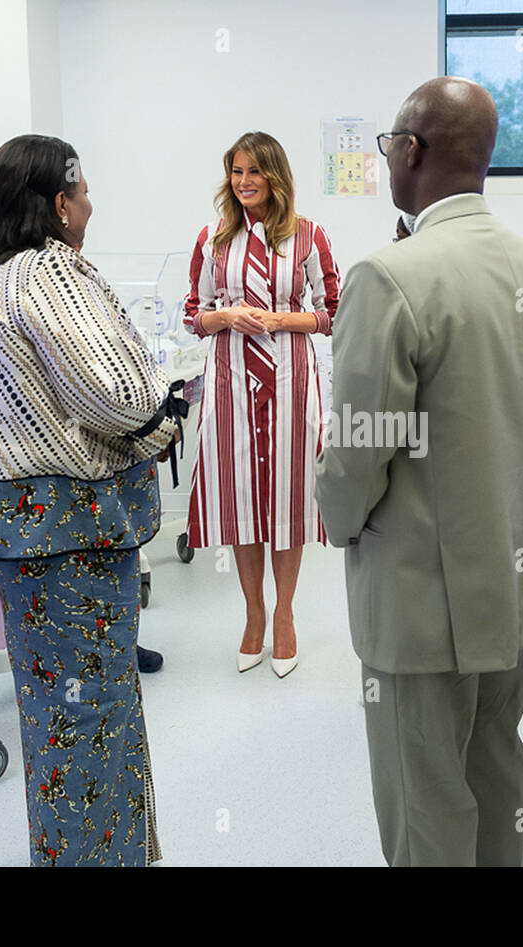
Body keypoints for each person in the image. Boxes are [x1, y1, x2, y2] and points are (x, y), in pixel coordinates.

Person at [315, 77, 523, 866]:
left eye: (390, 143)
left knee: (426, 807)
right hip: (511, 585)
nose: (387, 156)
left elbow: (360, 448)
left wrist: (336, 518)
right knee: (496, 776)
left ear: (411, 150)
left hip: (423, 605)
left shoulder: (391, 276)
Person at [0, 134, 184, 865]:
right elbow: (117, 395)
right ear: (59, 204)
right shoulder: (52, 272)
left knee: (53, 716)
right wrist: (174, 406)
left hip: (20, 539)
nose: (92, 203)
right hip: (72, 539)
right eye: (83, 191)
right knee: (94, 717)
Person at [182, 131, 341, 679]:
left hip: (292, 383)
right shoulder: (212, 239)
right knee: (243, 499)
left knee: (288, 499)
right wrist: (226, 316)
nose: (244, 181)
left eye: (254, 171)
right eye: (236, 171)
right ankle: (253, 614)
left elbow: (332, 313)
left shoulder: (308, 237)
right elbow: (193, 314)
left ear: (276, 176)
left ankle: (286, 613)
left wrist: (276, 319)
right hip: (229, 384)